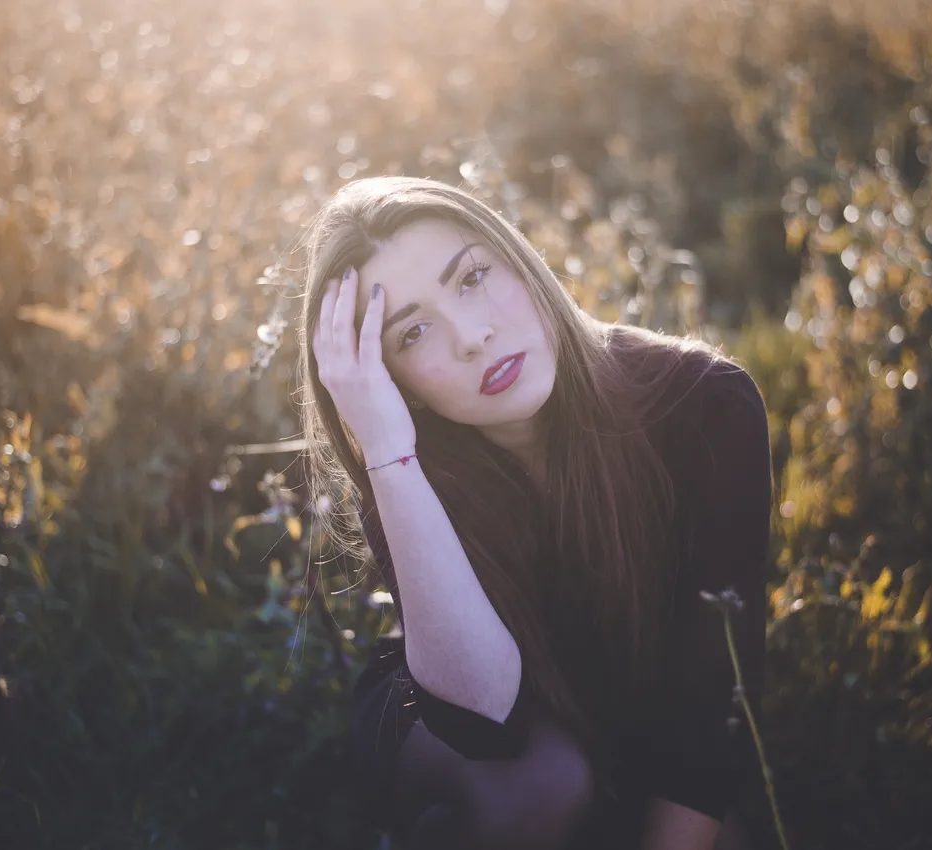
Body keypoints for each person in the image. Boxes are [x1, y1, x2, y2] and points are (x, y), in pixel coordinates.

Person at [297, 176, 772, 850]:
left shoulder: (703, 406)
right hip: (459, 737)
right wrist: (388, 455)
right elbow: (485, 723)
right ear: (394, 383)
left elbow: (712, 704)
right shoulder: (407, 465)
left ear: (519, 259)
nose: (471, 336)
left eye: (472, 277)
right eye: (413, 334)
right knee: (541, 785)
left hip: (624, 723)